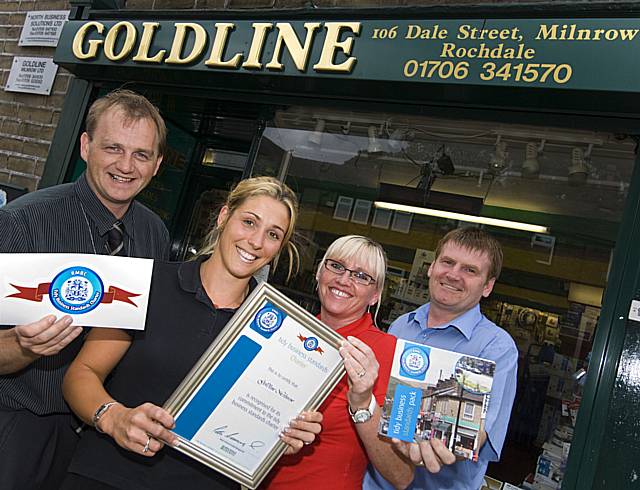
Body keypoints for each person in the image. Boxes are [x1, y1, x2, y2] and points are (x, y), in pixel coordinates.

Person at [60, 176, 323, 490]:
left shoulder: (277, 333)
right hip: (107, 475)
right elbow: (82, 373)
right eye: (249, 222)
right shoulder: (147, 283)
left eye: (273, 234)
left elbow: (258, 424)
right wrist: (113, 417)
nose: (256, 241)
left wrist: (281, 436)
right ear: (224, 216)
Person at [0, 89, 170, 490]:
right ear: (85, 146)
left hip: (100, 442)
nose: (126, 166)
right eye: (113, 148)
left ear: (157, 165)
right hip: (18, 431)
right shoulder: (22, 222)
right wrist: (21, 346)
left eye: (141, 155)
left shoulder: (154, 235)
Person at [364, 227, 518, 490]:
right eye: (447, 262)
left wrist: (439, 445)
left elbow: (475, 434)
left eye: (470, 270)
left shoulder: (496, 347)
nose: (453, 275)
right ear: (431, 267)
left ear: (487, 286)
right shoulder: (402, 326)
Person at [263, 235, 414, 490]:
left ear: (375, 295)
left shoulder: (396, 357)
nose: (344, 280)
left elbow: (402, 475)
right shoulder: (286, 333)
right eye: (336, 266)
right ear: (320, 273)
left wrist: (363, 403)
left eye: (361, 276)